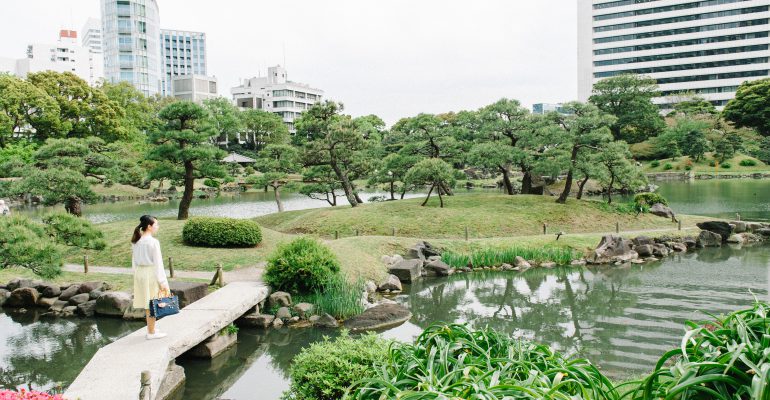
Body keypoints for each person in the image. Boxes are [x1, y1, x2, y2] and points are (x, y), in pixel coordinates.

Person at [131, 215, 170, 340]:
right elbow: (158, 263)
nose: (157, 227)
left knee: (148, 302)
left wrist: (136, 274)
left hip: (140, 273)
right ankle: (151, 332)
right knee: (152, 303)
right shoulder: (153, 242)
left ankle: (151, 328)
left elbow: (134, 262)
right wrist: (163, 282)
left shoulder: (136, 241)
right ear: (149, 226)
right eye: (156, 225)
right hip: (150, 273)